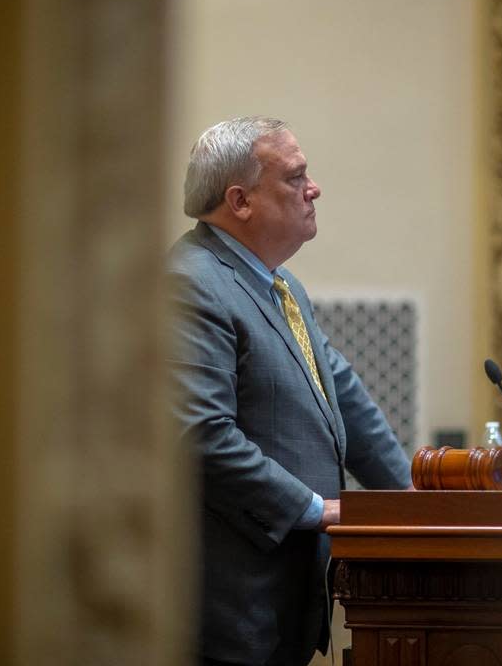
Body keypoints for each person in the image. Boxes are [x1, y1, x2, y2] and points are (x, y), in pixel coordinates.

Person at [166, 116, 412, 666]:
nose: (314, 187)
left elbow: (344, 395)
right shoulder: (191, 283)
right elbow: (201, 435)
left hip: (285, 600)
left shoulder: (279, 283)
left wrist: (412, 504)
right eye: (296, 176)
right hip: (230, 608)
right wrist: (316, 509)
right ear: (241, 200)